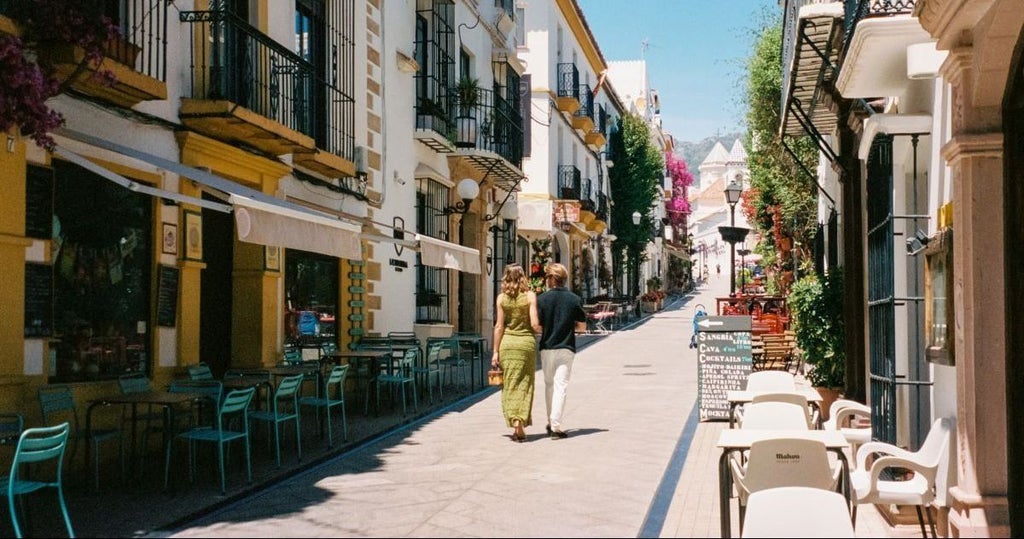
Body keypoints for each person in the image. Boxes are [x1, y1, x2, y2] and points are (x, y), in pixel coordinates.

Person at [535, 262, 587, 439]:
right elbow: (581, 327)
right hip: (566, 347)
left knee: (549, 385)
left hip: (547, 347)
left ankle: (551, 422)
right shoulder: (574, 299)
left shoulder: (541, 299)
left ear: (551, 278)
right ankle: (556, 426)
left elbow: (537, 326)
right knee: (560, 386)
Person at [490, 264, 540, 443]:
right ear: (523, 277)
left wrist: (495, 351)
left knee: (510, 385)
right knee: (525, 383)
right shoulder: (530, 297)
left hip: (507, 345)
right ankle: (521, 420)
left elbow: (499, 326)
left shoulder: (501, 298)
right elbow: (534, 324)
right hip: (526, 344)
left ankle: (514, 420)